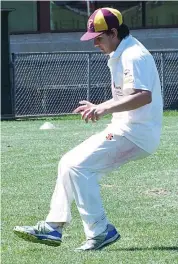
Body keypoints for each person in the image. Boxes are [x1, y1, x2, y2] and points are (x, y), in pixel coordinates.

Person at [13, 7, 163, 251]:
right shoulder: (121, 52)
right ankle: (54, 226)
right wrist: (101, 106)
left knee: (79, 167)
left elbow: (143, 96)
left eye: (99, 38)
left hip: (136, 133)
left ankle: (100, 230)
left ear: (114, 32)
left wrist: (103, 108)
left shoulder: (133, 55)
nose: (95, 44)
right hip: (127, 129)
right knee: (68, 162)